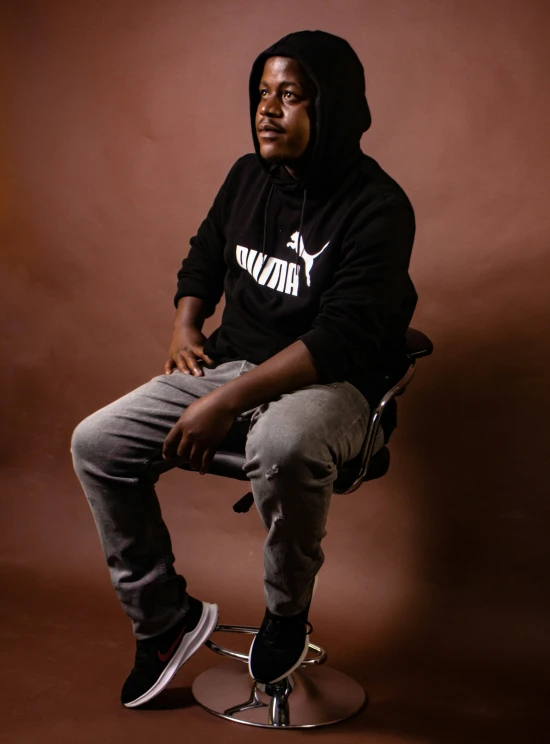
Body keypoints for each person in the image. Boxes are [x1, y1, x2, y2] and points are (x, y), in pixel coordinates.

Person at [71, 29, 417, 709]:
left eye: (290, 96)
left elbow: (341, 338)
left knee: (280, 442)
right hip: (233, 365)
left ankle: (287, 614)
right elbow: (203, 254)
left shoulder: (379, 206)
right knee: (98, 443)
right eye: (262, 94)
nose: (268, 110)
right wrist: (185, 324)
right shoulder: (246, 176)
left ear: (333, 108)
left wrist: (226, 404)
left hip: (337, 387)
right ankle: (165, 620)